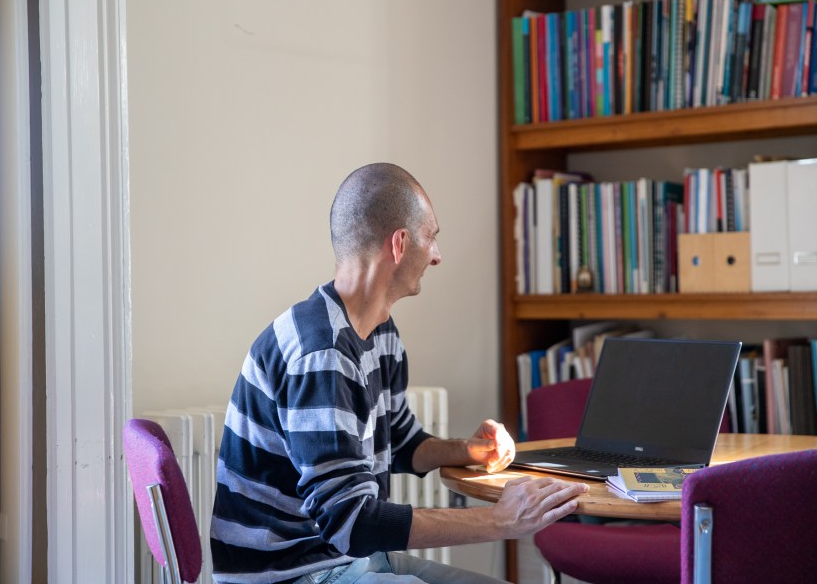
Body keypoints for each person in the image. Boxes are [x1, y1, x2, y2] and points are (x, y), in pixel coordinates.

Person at [210, 163, 588, 584]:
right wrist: (500, 521)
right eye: (432, 237)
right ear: (400, 243)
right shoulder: (322, 353)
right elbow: (351, 523)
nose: (437, 255)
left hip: (348, 561)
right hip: (293, 574)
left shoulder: (378, 330)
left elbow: (401, 443)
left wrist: (468, 450)